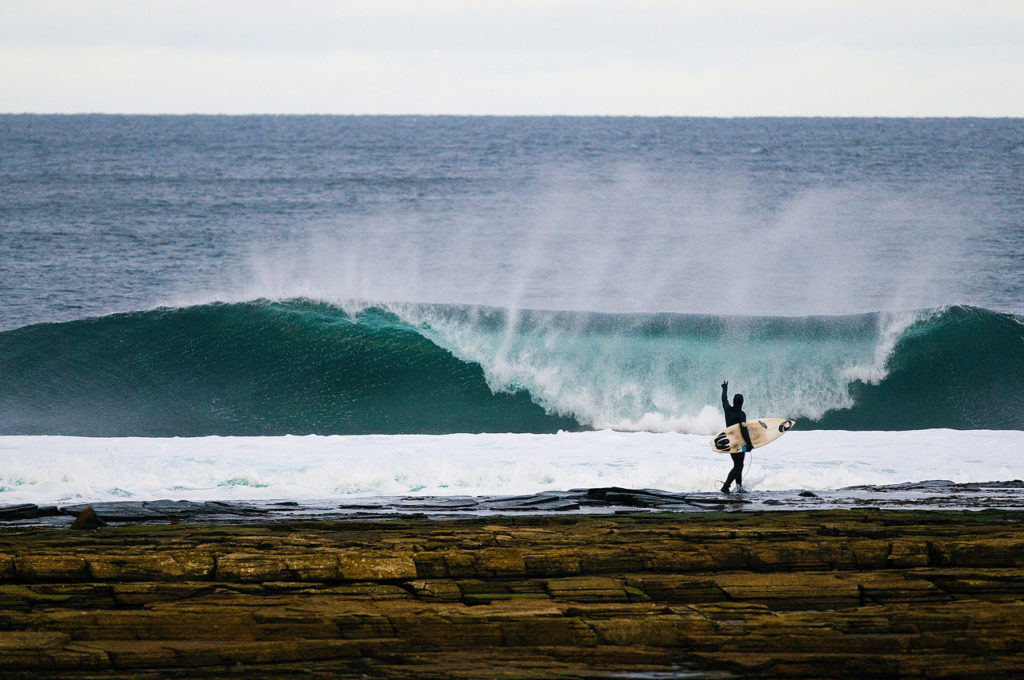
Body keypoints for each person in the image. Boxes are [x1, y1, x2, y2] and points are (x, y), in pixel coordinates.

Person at [720, 380, 753, 493]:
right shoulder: (741, 414)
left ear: (734, 401)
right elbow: (744, 430)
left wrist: (724, 389)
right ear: (742, 402)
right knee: (738, 466)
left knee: (738, 464)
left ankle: (739, 487)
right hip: (740, 443)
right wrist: (749, 444)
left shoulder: (727, 410)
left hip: (730, 442)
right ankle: (726, 486)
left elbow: (724, 399)